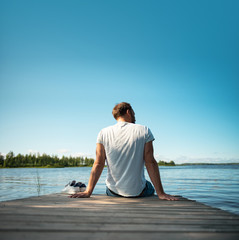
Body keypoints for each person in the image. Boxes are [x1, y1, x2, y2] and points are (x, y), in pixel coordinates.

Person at [70, 102, 178, 200]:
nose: (134, 116)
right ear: (128, 111)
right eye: (133, 113)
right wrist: (161, 193)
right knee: (148, 185)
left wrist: (88, 191)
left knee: (111, 186)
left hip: (113, 192)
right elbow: (150, 162)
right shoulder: (144, 130)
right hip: (138, 192)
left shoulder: (103, 132)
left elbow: (98, 163)